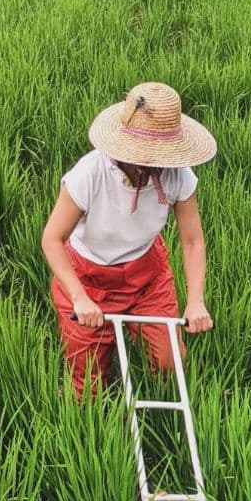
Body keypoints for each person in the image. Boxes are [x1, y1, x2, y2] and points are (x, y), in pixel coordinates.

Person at [41, 81, 216, 397]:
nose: (155, 165)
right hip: (88, 277)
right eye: (147, 157)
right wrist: (80, 297)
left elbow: (192, 241)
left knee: (170, 364)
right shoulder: (90, 174)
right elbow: (52, 239)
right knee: (86, 385)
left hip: (147, 278)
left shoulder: (178, 175)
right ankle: (97, 432)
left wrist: (195, 301)